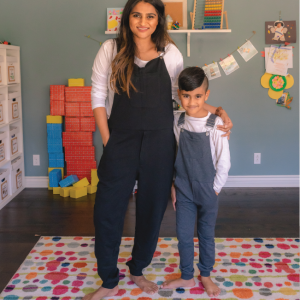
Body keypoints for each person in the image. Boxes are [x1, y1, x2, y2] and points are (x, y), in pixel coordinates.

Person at [85, 1, 233, 299]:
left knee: (151, 211)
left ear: (158, 20)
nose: (143, 22)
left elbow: (183, 98)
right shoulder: (110, 50)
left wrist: (218, 111)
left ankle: (137, 270)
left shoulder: (170, 53)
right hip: (120, 141)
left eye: (150, 16)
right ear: (128, 18)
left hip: (159, 144)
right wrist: (108, 140)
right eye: (137, 15)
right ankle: (109, 280)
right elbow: (98, 95)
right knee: (107, 211)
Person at [161, 67, 231, 297]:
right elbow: (173, 154)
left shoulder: (216, 124)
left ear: (206, 95)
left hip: (208, 189)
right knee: (183, 235)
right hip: (183, 189)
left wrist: (216, 189)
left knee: (206, 235)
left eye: (198, 96)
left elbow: (224, 162)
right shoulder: (177, 121)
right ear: (179, 95)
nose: (191, 102)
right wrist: (173, 184)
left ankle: (206, 275)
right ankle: (187, 276)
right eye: (186, 95)